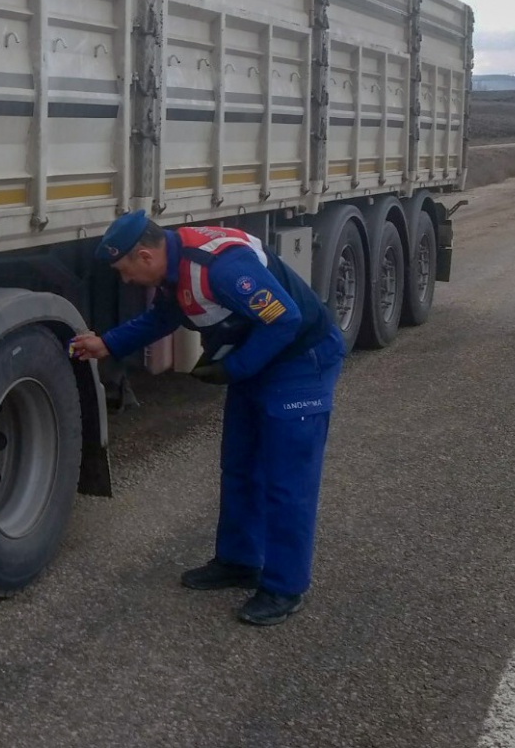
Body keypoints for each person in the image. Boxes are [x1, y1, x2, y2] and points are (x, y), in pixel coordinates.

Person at [70, 210, 345, 626]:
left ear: (144, 256)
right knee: (239, 466)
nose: (125, 281)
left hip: (298, 361)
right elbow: (163, 317)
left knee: (287, 480)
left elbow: (284, 319)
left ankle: (285, 586)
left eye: (125, 271)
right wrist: (106, 343)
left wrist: (233, 370)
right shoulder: (173, 268)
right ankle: (239, 560)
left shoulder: (222, 268)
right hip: (256, 359)